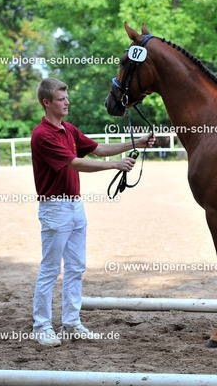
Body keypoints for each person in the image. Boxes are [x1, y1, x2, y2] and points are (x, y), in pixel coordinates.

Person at [31, 77, 154, 347]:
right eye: (62, 99)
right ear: (47, 103)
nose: (67, 102)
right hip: (55, 208)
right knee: (51, 269)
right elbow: (75, 163)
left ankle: (71, 322)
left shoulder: (69, 130)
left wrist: (137, 142)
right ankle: (41, 326)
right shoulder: (43, 135)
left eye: (66, 97)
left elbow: (97, 149)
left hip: (74, 205)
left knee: (76, 267)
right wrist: (114, 166)